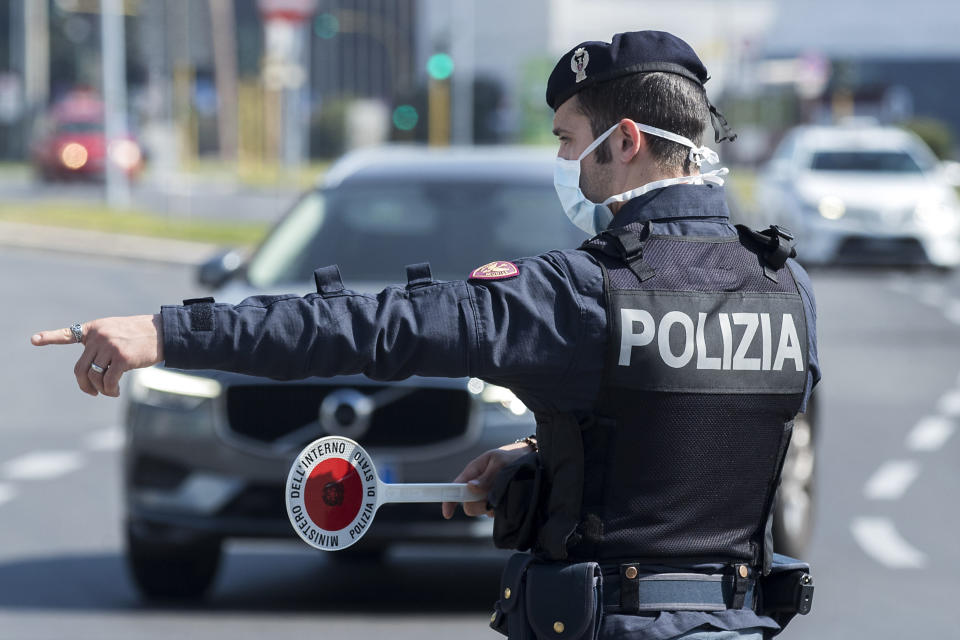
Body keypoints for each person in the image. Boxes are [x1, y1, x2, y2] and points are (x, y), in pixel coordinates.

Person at [32, 30, 819, 640]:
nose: (563, 159)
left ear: (626, 141)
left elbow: (364, 328)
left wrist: (167, 333)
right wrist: (556, 451)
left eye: (568, 139)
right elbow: (699, 430)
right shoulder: (788, 286)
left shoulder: (581, 292)